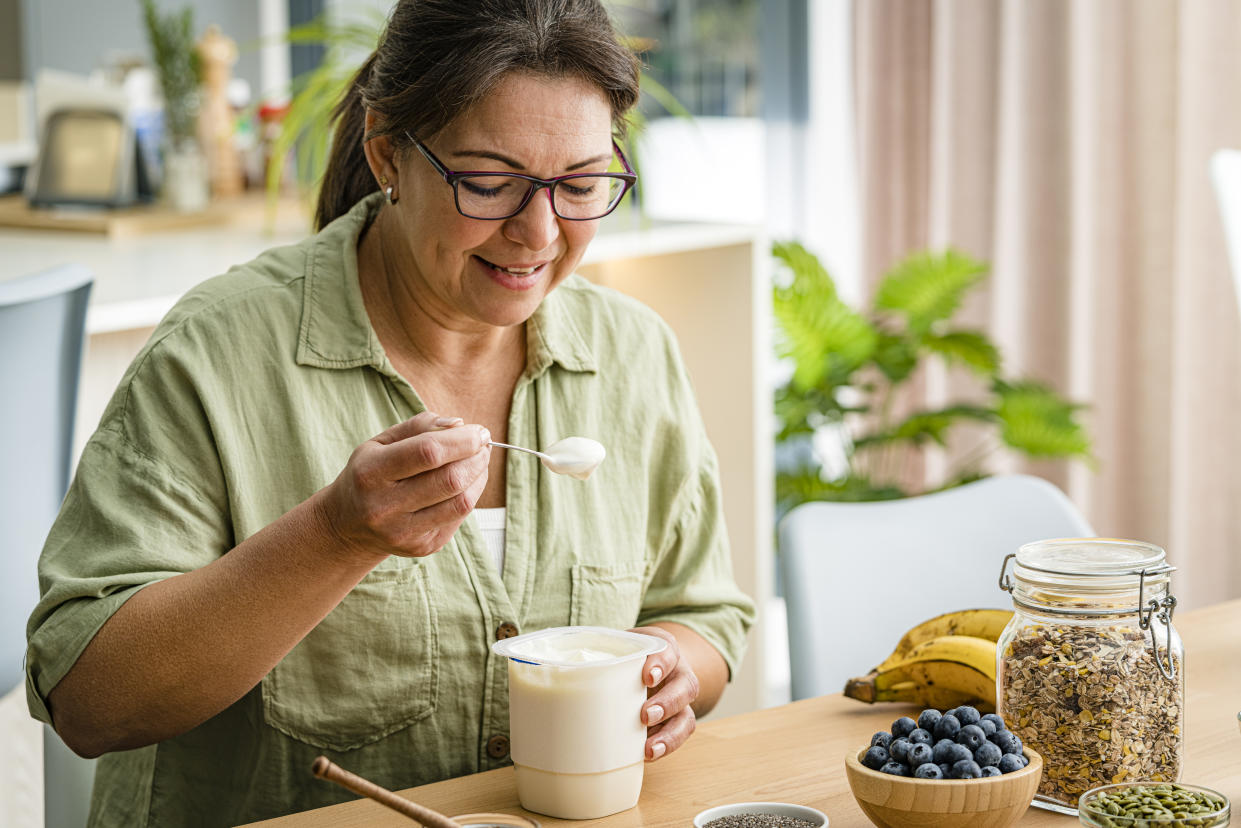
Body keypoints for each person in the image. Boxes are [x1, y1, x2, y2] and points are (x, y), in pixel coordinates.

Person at [24, 1, 756, 825]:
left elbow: (701, 612)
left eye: (581, 184)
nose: (538, 232)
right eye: (487, 182)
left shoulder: (633, 354)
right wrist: (333, 537)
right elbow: (89, 703)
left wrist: (670, 667)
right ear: (387, 154)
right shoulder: (219, 355)